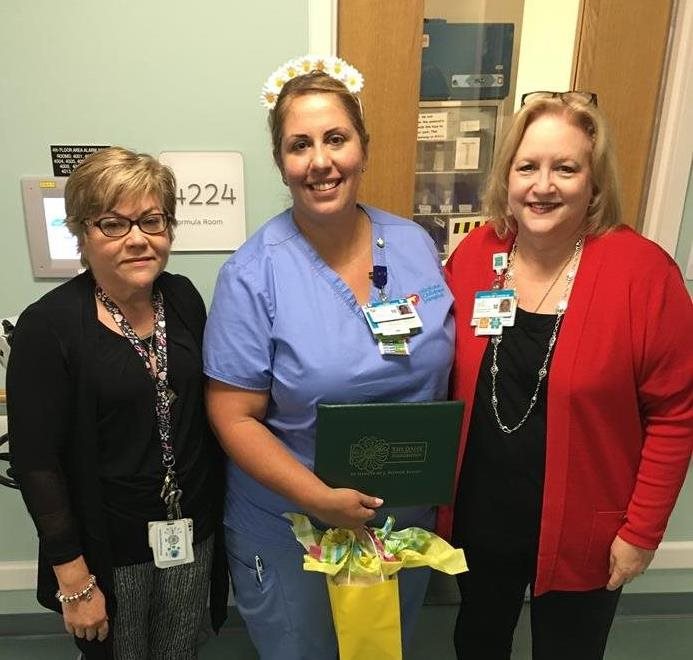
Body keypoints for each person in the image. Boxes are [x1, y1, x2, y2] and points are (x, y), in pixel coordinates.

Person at [203, 55, 455, 659]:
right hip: (295, 522)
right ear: (281, 162)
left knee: (381, 647)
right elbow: (232, 416)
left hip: (401, 516)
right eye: (300, 145)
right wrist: (318, 498)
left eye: (336, 139)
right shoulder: (252, 274)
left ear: (363, 148)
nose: (321, 161)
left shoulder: (416, 243)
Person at [440, 91, 693, 659]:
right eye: (527, 166)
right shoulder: (478, 254)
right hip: (481, 517)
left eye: (566, 168)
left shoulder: (644, 275)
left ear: (595, 183)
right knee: (477, 640)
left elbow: (676, 415)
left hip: (586, 530)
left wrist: (641, 531)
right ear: (507, 177)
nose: (543, 185)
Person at [7, 147, 227, 659]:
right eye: (113, 224)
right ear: (82, 233)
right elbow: (36, 463)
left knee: (179, 651)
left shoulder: (182, 297)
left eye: (152, 220)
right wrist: (75, 580)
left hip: (190, 532)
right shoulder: (50, 326)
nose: (137, 239)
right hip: (108, 545)